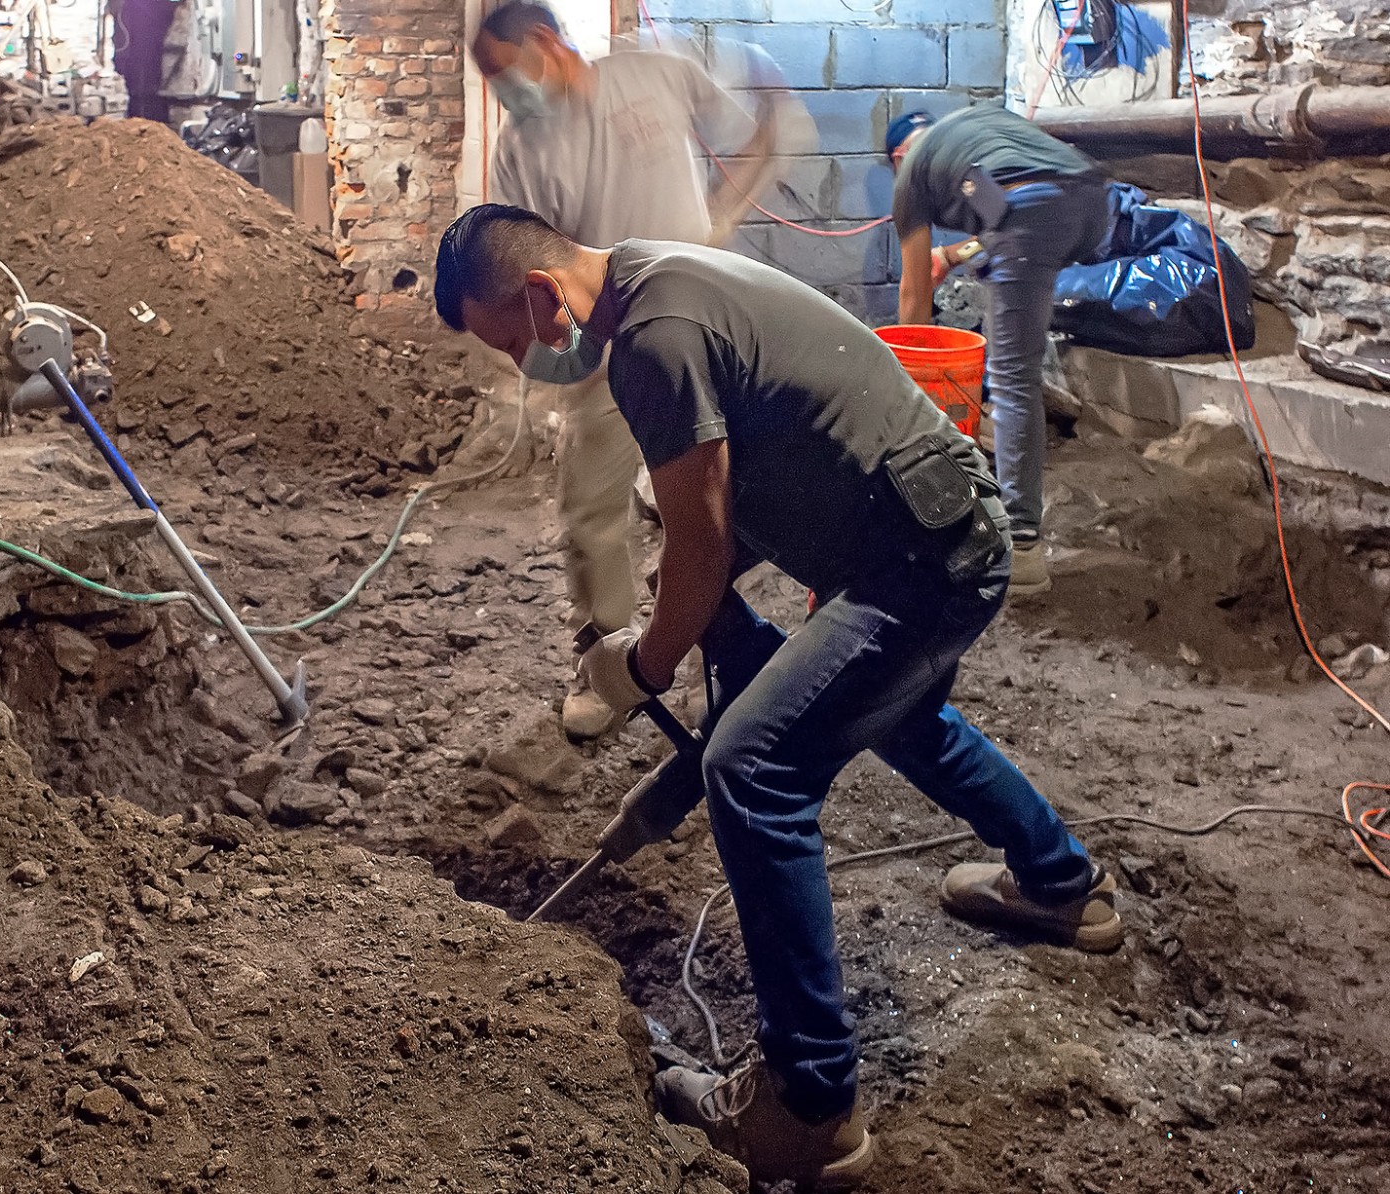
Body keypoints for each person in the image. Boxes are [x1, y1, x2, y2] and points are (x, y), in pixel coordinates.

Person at [433, 204, 1123, 1189]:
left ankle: (809, 1105)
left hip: (919, 562)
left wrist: (643, 664)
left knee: (752, 767)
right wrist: (692, 626)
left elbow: (705, 545)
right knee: (897, 715)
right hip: (940, 533)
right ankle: (1061, 886)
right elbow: (739, 508)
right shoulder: (657, 274)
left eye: (515, 339)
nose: (524, 362)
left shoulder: (652, 342)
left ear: (541, 294)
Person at [472, 0, 779, 739]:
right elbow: (530, 266)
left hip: (704, 322)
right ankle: (609, 667)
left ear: (545, 42)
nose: (504, 95)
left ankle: (724, 665)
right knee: (592, 511)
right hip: (605, 342)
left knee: (713, 505)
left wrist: (719, 221)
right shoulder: (520, 149)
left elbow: (762, 130)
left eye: (504, 74)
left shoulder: (651, 74)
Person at [890, 105, 1111, 596]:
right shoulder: (973, 127)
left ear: (900, 155)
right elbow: (1002, 206)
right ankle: (1008, 474)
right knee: (1009, 269)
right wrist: (955, 255)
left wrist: (912, 381)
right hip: (1094, 200)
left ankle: (1022, 548)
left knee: (1012, 379)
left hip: (1032, 211)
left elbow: (913, 292)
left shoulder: (912, 174)